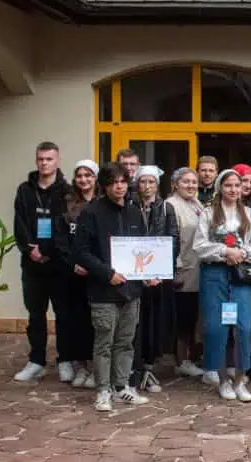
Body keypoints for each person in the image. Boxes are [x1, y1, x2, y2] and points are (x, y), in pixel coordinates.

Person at [73, 163, 155, 411]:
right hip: (103, 291)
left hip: (131, 291)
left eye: (123, 181)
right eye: (113, 182)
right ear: (105, 185)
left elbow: (143, 248)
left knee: (125, 342)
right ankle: (102, 390)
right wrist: (108, 274)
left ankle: (121, 387)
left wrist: (149, 274)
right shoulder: (91, 212)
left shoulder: (133, 211)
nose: (119, 186)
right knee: (104, 342)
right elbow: (82, 252)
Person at [193, 169, 251, 402]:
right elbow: (199, 245)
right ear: (219, 188)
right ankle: (223, 379)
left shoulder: (250, 215)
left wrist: (241, 252)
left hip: (239, 277)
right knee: (218, 327)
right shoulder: (208, 214)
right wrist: (225, 251)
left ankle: (240, 379)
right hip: (215, 276)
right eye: (228, 185)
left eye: (237, 185)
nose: (233, 189)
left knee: (242, 327)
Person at [12, 141, 72, 383]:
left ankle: (65, 360)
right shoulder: (25, 190)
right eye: (40, 159)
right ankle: (36, 361)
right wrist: (30, 251)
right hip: (32, 264)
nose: (44, 163)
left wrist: (48, 249)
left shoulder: (67, 191)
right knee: (35, 314)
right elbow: (20, 224)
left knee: (63, 313)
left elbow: (66, 227)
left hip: (58, 264)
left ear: (57, 160)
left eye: (49, 159)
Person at [130, 166, 179, 394]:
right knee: (134, 324)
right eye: (142, 182)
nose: (146, 186)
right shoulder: (129, 207)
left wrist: (160, 271)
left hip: (157, 278)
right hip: (133, 274)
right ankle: (133, 369)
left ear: (157, 184)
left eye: (151, 182)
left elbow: (172, 240)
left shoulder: (166, 208)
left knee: (153, 324)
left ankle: (149, 368)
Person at [54, 159, 99, 389]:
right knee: (77, 321)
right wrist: (73, 264)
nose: (84, 180)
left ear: (95, 178)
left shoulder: (103, 202)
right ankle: (81, 366)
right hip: (74, 273)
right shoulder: (67, 203)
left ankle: (95, 367)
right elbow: (60, 240)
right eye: (80, 175)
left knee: (96, 322)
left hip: (97, 273)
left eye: (88, 175)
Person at [165, 167, 206, 379]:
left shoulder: (196, 204)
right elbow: (171, 240)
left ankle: (191, 357)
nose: (191, 186)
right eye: (185, 182)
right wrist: (174, 268)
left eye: (193, 182)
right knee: (183, 317)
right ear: (175, 184)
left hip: (198, 269)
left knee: (193, 316)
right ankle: (181, 360)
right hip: (183, 270)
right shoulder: (171, 205)